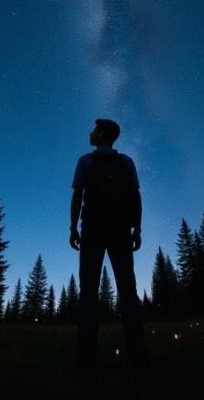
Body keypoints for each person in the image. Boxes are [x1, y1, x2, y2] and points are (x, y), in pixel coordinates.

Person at [69, 119, 150, 374]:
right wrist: (136, 229)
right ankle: (139, 359)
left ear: (102, 134)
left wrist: (73, 228)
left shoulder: (85, 161)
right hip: (120, 231)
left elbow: (77, 195)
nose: (90, 133)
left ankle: (85, 360)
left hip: (92, 229)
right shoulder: (126, 162)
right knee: (128, 294)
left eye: (93, 130)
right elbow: (136, 196)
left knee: (88, 295)